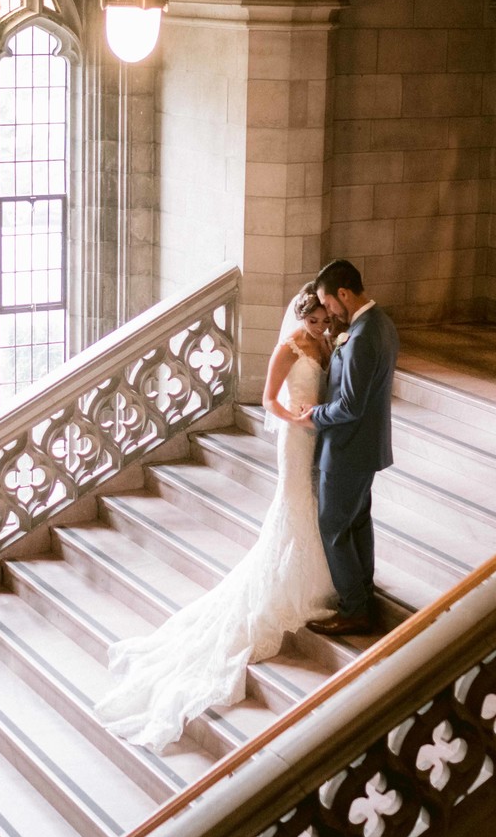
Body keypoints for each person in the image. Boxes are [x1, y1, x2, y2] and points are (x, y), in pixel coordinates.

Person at [95, 285, 335, 753]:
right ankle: (294, 582)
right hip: (296, 437)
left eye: (325, 321)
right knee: (294, 506)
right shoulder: (289, 348)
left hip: (316, 435)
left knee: (307, 506)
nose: (321, 328)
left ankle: (309, 573)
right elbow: (269, 401)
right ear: (301, 318)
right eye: (315, 322)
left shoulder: (328, 341)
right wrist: (300, 420)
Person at [295, 258, 399, 636]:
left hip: (348, 448)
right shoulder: (380, 324)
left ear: (342, 293)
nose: (329, 311)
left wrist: (314, 415)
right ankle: (363, 594)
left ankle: (354, 608)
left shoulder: (362, 336)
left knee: (334, 525)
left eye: (329, 302)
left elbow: (351, 404)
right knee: (356, 521)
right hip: (365, 446)